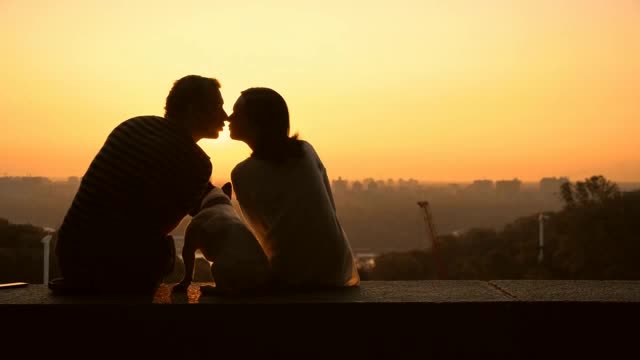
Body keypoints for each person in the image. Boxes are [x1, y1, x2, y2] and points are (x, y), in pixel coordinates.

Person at [52, 75, 227, 295]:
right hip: (120, 273)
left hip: (70, 257)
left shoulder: (133, 125)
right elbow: (163, 227)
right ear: (193, 109)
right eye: (218, 106)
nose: (225, 116)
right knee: (165, 250)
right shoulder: (197, 162)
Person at [228, 87, 360, 290]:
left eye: (237, 113)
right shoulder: (305, 152)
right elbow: (329, 210)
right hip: (337, 267)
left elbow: (260, 236)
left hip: (290, 275)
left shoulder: (242, 174)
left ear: (257, 121)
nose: (229, 118)